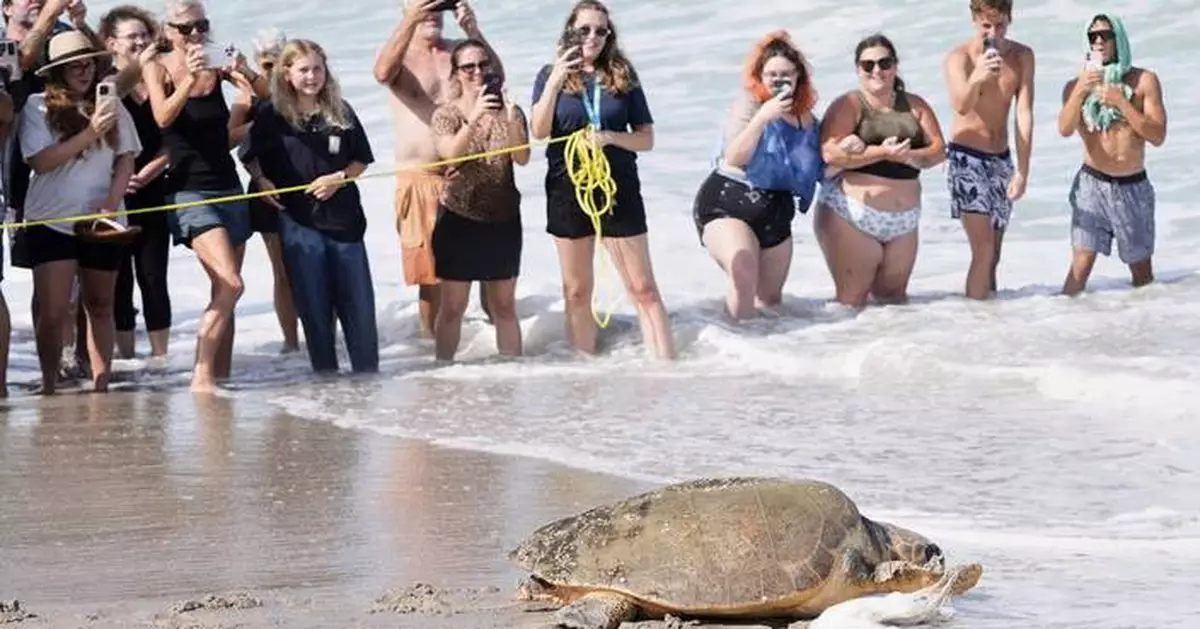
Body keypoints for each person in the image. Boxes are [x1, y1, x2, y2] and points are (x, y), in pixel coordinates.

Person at [531, 0, 674, 359]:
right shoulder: (550, 74)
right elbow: (539, 130)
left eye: (601, 30)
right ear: (570, 32)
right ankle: (585, 375)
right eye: (585, 29)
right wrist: (556, 80)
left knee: (642, 288)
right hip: (567, 187)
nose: (593, 36)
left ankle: (667, 371)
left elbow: (646, 138)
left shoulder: (622, 75)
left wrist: (610, 137)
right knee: (577, 291)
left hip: (618, 186)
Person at [143, 0, 269, 392]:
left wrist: (243, 70)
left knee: (224, 292)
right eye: (185, 28)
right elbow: (162, 116)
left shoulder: (217, 58)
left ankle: (221, 378)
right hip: (187, 189)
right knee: (231, 283)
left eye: (201, 25)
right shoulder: (158, 66)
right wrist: (188, 78)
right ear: (168, 31)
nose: (195, 34)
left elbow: (266, 95)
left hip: (227, 185)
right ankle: (200, 376)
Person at [241, 39, 378, 374]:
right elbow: (248, 155)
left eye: (317, 68)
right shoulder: (270, 114)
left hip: (344, 221)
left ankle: (368, 382)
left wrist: (339, 177)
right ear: (287, 74)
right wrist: (261, 181)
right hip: (298, 223)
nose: (312, 76)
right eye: (304, 70)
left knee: (358, 309)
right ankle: (326, 385)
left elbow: (362, 159)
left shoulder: (340, 110)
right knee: (314, 309)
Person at [18, 30, 141, 393]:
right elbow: (40, 162)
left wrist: (111, 202)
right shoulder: (37, 106)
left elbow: (126, 158)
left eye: (89, 64)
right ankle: (49, 383)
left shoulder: (111, 102)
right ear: (58, 72)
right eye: (75, 66)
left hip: (103, 218)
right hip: (50, 218)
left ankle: (101, 385)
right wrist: (91, 132)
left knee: (101, 304)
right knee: (54, 312)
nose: (85, 72)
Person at [373, 0, 502, 337]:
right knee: (432, 277)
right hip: (421, 179)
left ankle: (495, 348)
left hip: (470, 174)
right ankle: (434, 356)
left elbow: (495, 78)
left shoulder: (459, 53)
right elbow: (382, 73)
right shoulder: (401, 55)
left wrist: (473, 30)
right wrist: (413, 16)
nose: (432, 8)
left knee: (486, 266)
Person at [692, 31, 823, 320]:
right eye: (771, 75)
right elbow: (734, 156)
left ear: (798, 77)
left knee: (770, 301)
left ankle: (762, 356)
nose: (778, 81)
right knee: (743, 272)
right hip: (728, 200)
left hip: (775, 210)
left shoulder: (810, 121)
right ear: (760, 77)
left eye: (786, 74)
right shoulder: (749, 104)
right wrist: (764, 116)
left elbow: (823, 166)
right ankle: (733, 350)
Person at [815, 34, 946, 308]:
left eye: (884, 63)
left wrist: (907, 155)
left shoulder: (914, 104)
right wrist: (881, 152)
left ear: (895, 66)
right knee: (851, 303)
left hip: (904, 222)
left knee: (894, 305)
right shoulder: (849, 104)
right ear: (858, 70)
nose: (877, 70)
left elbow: (938, 150)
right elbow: (830, 153)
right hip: (852, 215)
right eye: (868, 65)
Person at [430, 39, 529, 361]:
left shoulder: (511, 110)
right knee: (454, 307)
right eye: (468, 67)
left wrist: (513, 119)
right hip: (459, 218)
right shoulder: (446, 114)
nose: (477, 72)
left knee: (504, 305)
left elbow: (522, 157)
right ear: (456, 73)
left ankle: (512, 374)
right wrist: (475, 117)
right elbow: (449, 155)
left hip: (503, 217)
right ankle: (442, 373)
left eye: (483, 64)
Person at [1057, 14, 1166, 295]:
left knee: (1141, 273)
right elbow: (1065, 129)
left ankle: (1143, 333)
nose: (1098, 41)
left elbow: (1157, 136)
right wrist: (1081, 90)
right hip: (1092, 184)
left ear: (1118, 39)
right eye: (1092, 37)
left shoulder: (1143, 81)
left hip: (1132, 187)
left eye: (1105, 35)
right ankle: (1063, 327)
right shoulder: (1074, 86)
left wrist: (1122, 103)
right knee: (1080, 267)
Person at [943, 0, 1034, 299]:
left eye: (1000, 25)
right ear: (974, 20)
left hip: (1001, 160)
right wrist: (979, 75)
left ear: (1010, 19)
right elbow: (960, 104)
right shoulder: (959, 58)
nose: (993, 32)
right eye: (986, 25)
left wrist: (1022, 170)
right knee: (982, 251)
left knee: (993, 254)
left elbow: (1024, 113)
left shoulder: (1022, 56)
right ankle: (973, 328)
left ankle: (989, 325)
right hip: (966, 158)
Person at [100, 4, 173, 362]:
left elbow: (175, 140)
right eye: (132, 37)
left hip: (153, 185)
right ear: (112, 42)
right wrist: (122, 179)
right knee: (119, 282)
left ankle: (161, 361)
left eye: (145, 35)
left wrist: (152, 170)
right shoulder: (104, 82)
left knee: (154, 277)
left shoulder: (160, 78)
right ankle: (126, 360)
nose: (141, 42)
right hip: (113, 191)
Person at [236, 26, 299, 353]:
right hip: (266, 190)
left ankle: (323, 336)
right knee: (283, 272)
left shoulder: (302, 86)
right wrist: (259, 178)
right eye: (266, 65)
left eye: (279, 62)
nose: (273, 71)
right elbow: (241, 148)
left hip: (306, 185)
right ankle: (291, 343)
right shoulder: (248, 94)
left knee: (315, 267)